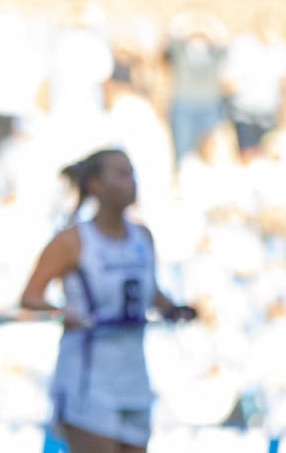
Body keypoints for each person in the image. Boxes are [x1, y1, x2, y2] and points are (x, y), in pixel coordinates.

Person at [19, 148, 197, 453]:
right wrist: (64, 313)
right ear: (95, 185)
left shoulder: (142, 237)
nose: (132, 182)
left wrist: (175, 310)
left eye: (132, 173)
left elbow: (150, 293)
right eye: (121, 174)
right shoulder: (73, 241)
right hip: (88, 380)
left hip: (133, 377)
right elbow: (31, 297)